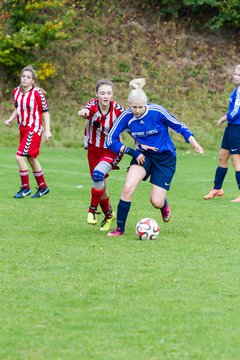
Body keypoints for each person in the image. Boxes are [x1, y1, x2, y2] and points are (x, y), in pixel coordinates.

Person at [106, 78, 204, 237]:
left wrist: (193, 141)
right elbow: (110, 140)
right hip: (142, 156)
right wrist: (133, 151)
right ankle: (120, 229)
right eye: (133, 107)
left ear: (145, 104)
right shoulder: (126, 116)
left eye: (139, 107)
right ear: (129, 105)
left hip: (165, 158)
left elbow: (178, 125)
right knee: (127, 188)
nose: (136, 111)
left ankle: (163, 205)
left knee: (156, 201)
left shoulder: (157, 111)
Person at [78, 79, 125, 231]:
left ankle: (92, 210)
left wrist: (140, 143)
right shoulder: (92, 105)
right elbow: (86, 111)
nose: (106, 96)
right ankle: (109, 215)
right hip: (93, 150)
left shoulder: (117, 109)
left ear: (113, 94)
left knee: (98, 175)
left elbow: (129, 123)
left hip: (111, 149)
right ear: (96, 94)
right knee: (100, 185)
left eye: (109, 93)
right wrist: (83, 112)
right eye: (102, 93)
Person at [4, 65, 51, 199]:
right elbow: (18, 109)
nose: (25, 79)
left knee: (19, 156)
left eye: (28, 77)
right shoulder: (16, 92)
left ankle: (26, 189)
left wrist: (47, 130)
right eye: (23, 76)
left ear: (33, 81)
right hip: (23, 129)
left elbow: (45, 112)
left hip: (34, 129)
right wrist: (10, 119)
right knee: (31, 158)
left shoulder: (37, 93)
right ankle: (43, 187)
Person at [203, 64, 240, 202]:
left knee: (236, 161)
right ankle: (217, 188)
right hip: (231, 128)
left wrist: (223, 118)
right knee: (222, 157)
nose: (235, 76)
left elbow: (236, 111)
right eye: (235, 73)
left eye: (238, 75)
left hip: (237, 128)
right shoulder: (237, 90)